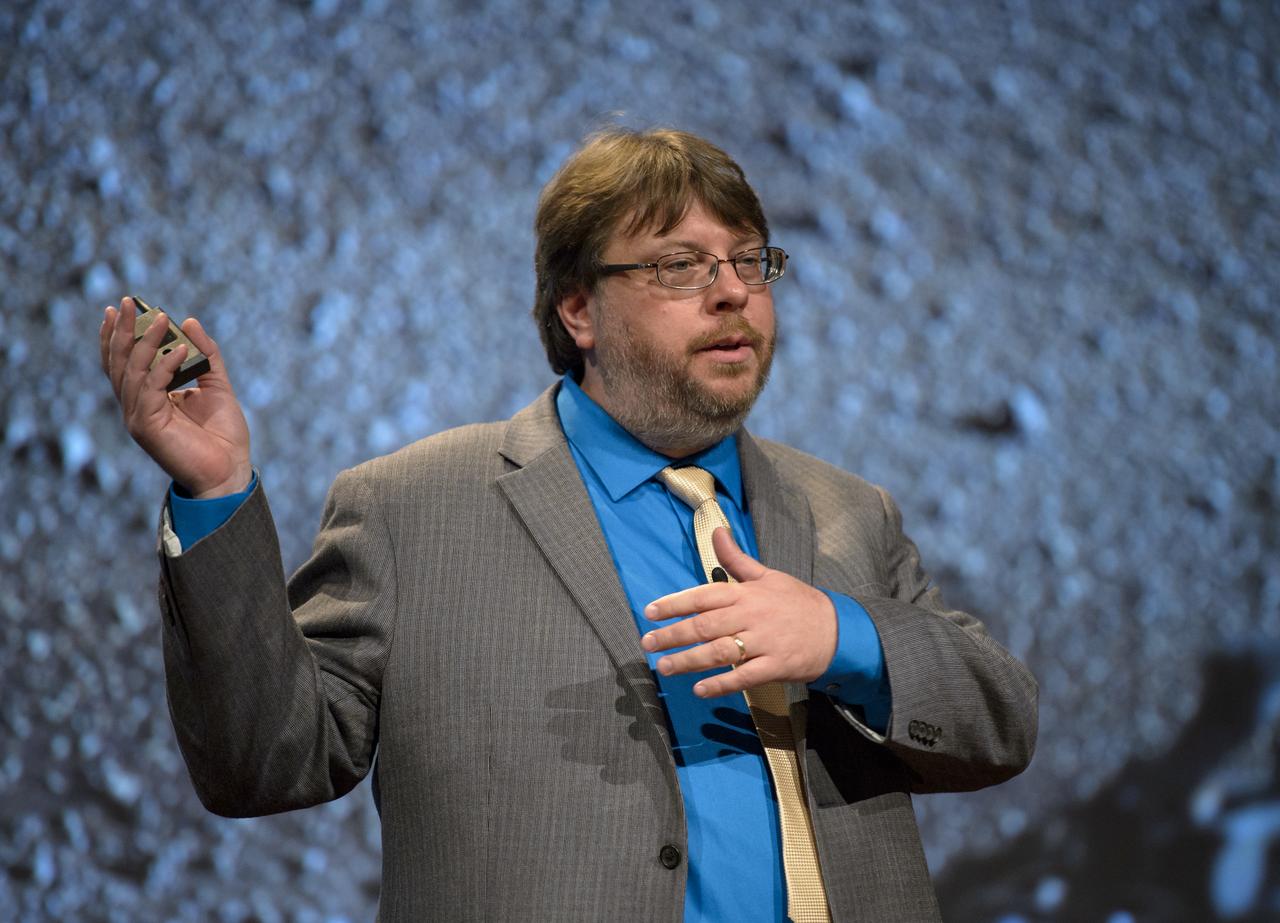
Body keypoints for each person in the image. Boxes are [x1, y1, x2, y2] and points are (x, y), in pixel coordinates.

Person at [99, 128, 1037, 922]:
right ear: (578, 307)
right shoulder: (411, 506)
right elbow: (265, 762)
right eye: (680, 265)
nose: (733, 293)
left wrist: (842, 636)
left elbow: (997, 721)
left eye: (750, 261)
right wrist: (218, 492)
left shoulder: (845, 510)